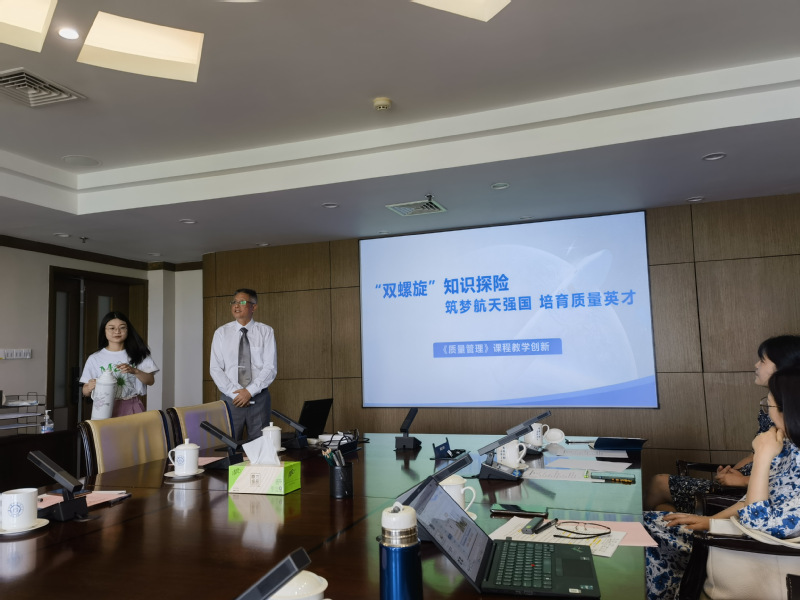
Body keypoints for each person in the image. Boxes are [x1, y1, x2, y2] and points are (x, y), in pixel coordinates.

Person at [645, 367, 800, 599]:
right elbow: (751, 500)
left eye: (768, 406)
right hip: (736, 535)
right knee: (649, 522)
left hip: (749, 552)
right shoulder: (790, 446)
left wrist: (762, 457)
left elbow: (757, 525)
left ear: (789, 411)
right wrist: (709, 521)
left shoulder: (778, 447)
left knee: (645, 531)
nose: (767, 415)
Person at [644, 335, 800, 512]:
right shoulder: (773, 405)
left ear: (783, 366)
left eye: (762, 361)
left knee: (659, 485)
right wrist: (732, 471)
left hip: (753, 494)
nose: (756, 365)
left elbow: (784, 481)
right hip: (745, 483)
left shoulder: (789, 417)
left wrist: (741, 481)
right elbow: (757, 453)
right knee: (664, 508)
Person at [210, 288, 277, 440]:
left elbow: (270, 367)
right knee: (229, 446)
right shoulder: (221, 333)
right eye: (234, 302)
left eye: (242, 302)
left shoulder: (266, 331)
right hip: (230, 398)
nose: (236, 305)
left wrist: (249, 392)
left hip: (259, 398)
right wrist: (235, 393)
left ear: (254, 307)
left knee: (260, 445)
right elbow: (215, 368)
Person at [80, 311, 159, 417]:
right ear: (104, 331)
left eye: (122, 327)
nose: (117, 331)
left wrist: (135, 371)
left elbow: (150, 381)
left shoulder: (139, 354)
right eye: (112, 328)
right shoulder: (94, 358)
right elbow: (85, 391)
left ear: (128, 330)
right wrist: (89, 387)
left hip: (131, 406)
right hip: (103, 407)